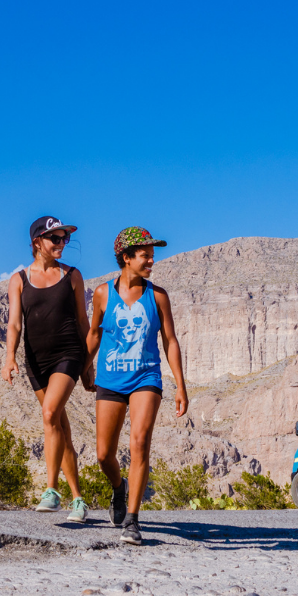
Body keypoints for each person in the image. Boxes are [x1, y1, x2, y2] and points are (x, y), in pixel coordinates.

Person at [84, 226, 189, 545]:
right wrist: (81, 367)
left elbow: (170, 341)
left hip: (146, 378)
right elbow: (94, 335)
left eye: (152, 255)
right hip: (111, 379)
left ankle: (132, 520)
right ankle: (119, 487)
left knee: (140, 441)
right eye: (145, 255)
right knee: (104, 455)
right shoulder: (103, 294)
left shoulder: (158, 296)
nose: (151, 261)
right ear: (126, 258)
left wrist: (180, 386)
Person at [1, 216, 92, 523]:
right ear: (37, 242)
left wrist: (87, 364)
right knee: (60, 428)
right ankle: (78, 500)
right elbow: (15, 323)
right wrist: (9, 356)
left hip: (68, 354)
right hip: (36, 361)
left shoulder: (73, 276)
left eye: (65, 238)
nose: (62, 243)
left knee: (50, 414)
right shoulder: (19, 280)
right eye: (56, 238)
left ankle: (51, 490)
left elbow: (83, 322)